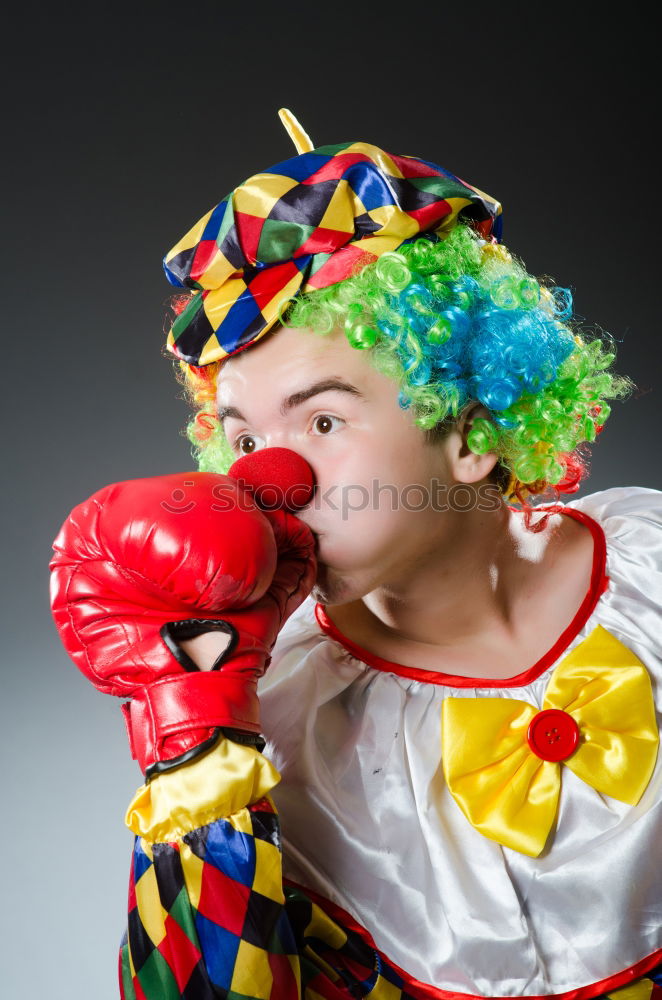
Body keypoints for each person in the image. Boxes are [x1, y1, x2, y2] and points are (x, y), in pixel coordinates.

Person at [50, 110, 662, 999]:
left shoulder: (649, 567)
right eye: (241, 435)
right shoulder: (282, 719)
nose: (271, 476)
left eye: (324, 420)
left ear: (471, 425)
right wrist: (191, 722)